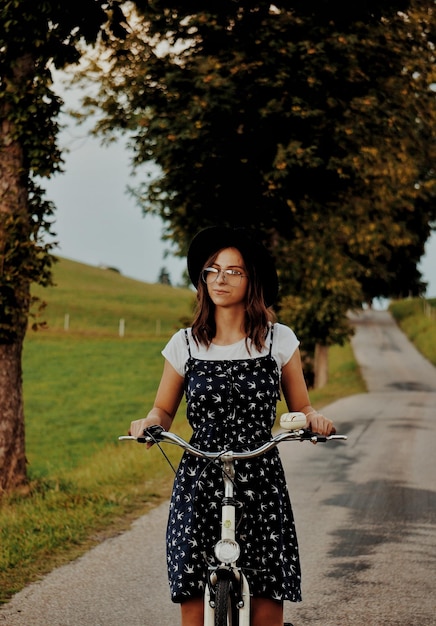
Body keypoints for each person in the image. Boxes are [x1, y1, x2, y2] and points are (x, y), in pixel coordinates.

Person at [129, 226, 335, 626]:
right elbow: (163, 410)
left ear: (251, 280)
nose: (220, 278)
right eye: (212, 270)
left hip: (260, 475)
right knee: (191, 591)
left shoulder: (278, 339)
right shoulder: (185, 343)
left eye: (233, 271)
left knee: (266, 598)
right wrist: (149, 423)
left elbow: (302, 406)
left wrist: (313, 420)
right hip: (199, 473)